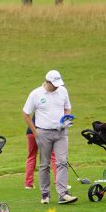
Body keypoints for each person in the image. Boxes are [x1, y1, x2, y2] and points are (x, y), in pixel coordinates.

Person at [23, 70, 77, 205]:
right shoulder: (36, 94)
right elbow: (26, 113)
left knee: (62, 161)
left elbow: (67, 107)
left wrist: (66, 119)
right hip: (43, 133)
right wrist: (35, 132)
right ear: (47, 82)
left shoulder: (62, 91)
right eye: (54, 84)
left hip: (61, 133)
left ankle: (63, 194)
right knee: (44, 165)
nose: (57, 86)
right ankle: (45, 194)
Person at [24, 115, 55, 189]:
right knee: (54, 155)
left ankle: (28, 184)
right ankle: (59, 181)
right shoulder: (50, 110)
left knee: (31, 156)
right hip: (43, 132)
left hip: (31, 132)